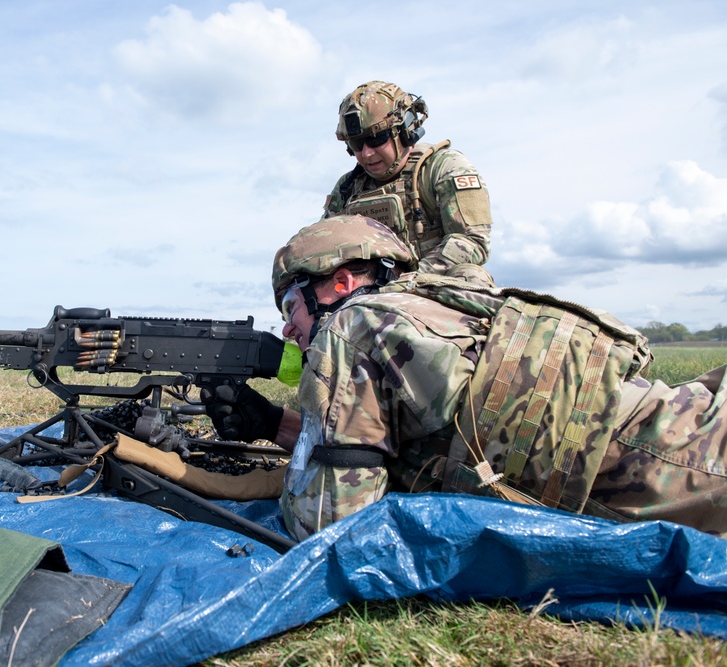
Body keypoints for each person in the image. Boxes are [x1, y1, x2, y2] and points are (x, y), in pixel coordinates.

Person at [203, 214, 727, 541]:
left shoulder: (350, 327)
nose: (288, 327)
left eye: (292, 304)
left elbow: (328, 522)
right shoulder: (432, 306)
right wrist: (278, 424)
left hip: (679, 466)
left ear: (339, 283)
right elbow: (431, 439)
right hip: (678, 421)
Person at [322, 81, 494, 285]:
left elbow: (472, 240)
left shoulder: (442, 168)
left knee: (471, 276)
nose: (366, 153)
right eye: (357, 144)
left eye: (377, 139)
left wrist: (409, 282)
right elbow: (323, 250)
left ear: (403, 132)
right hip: (367, 298)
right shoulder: (347, 188)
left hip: (433, 289)